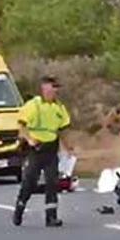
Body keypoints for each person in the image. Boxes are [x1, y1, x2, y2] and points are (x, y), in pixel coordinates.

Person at [12, 76, 73, 228]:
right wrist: (30, 139)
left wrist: (67, 147)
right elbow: (21, 126)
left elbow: (62, 129)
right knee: (30, 181)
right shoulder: (34, 105)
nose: (55, 91)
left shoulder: (59, 107)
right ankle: (19, 208)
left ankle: (51, 217)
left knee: (52, 182)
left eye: (57, 88)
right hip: (36, 148)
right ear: (44, 88)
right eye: (53, 87)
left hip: (51, 148)